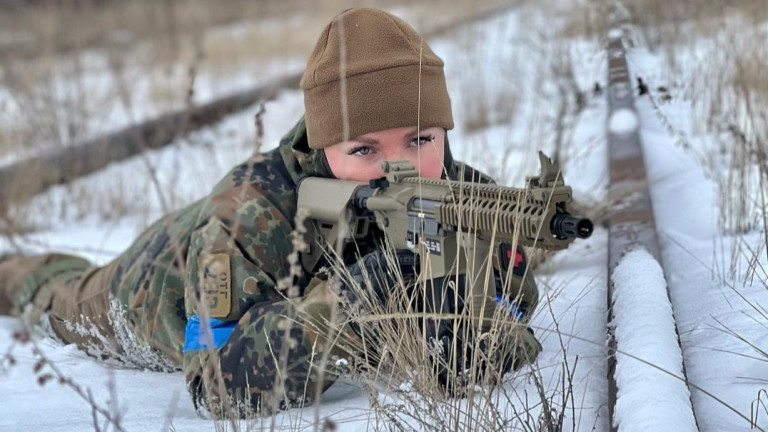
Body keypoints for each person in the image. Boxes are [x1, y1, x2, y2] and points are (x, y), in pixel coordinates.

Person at [0, 8, 541, 418]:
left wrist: (474, 329)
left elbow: (514, 295)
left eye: (420, 139)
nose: (395, 168)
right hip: (151, 287)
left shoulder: (459, 191)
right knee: (53, 293)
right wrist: (351, 303)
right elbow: (213, 385)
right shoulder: (248, 213)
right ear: (324, 145)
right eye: (364, 150)